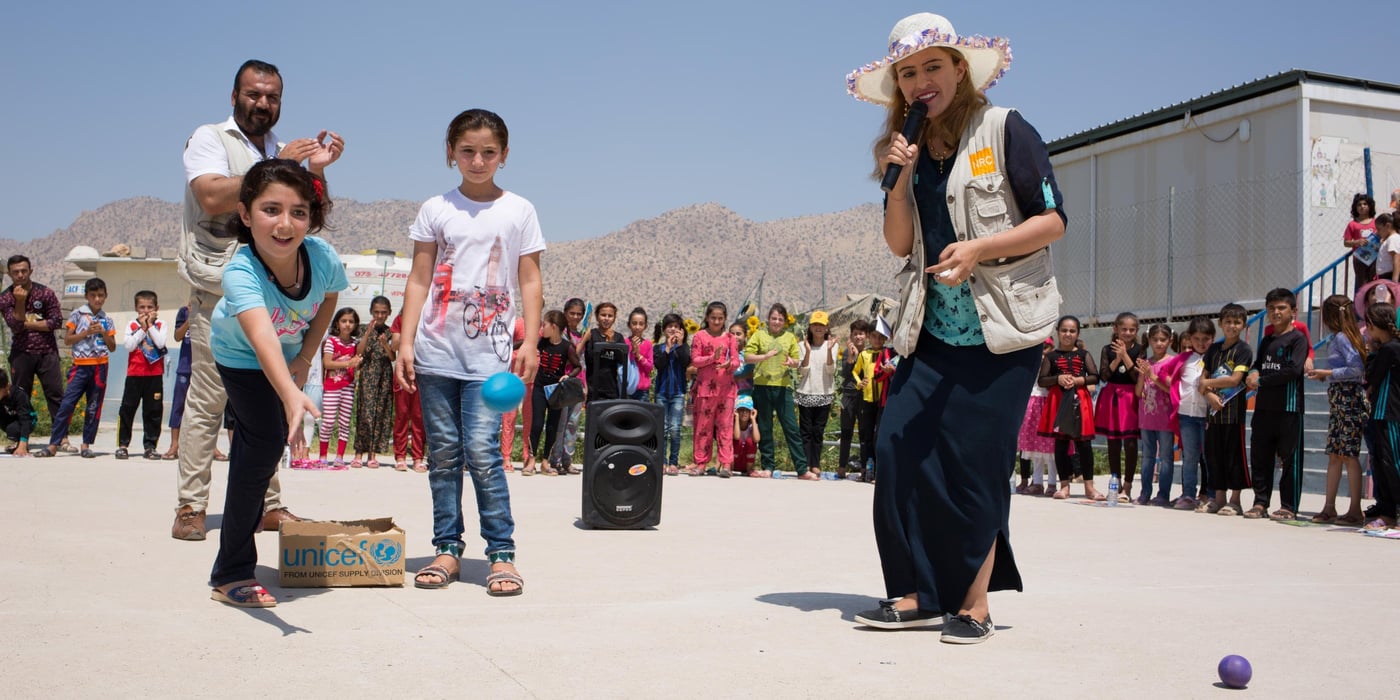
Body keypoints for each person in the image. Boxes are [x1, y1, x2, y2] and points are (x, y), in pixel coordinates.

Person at [849, 12, 1066, 641]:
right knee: (895, 451)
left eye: (932, 67)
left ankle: (974, 605)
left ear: (959, 69)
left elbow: (1052, 222)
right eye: (908, 72)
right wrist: (898, 183)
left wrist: (980, 249)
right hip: (931, 333)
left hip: (1003, 333)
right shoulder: (905, 147)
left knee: (975, 465)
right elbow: (898, 245)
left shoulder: (1005, 129)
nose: (921, 81)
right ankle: (913, 594)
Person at [174, 59, 342, 540]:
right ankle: (191, 506)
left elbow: (312, 214)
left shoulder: (280, 148)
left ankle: (268, 504)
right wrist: (278, 166)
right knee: (208, 399)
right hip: (219, 287)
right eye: (253, 94)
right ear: (234, 97)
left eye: (271, 97)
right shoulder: (209, 139)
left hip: (274, 290)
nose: (262, 103)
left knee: (271, 401)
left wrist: (312, 170)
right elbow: (209, 197)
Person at [395, 108, 543, 596]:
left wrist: (531, 341)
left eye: (488, 152)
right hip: (437, 351)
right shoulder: (436, 208)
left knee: (482, 453)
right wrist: (405, 341)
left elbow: (529, 278)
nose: (477, 161)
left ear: (504, 156)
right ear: (450, 153)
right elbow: (419, 278)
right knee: (442, 455)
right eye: (467, 151)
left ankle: (501, 553)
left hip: (490, 359)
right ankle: (446, 548)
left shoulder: (519, 209)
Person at [206, 158, 345, 608]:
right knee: (264, 446)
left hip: (288, 359)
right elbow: (261, 338)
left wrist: (305, 359)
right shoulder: (240, 271)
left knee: (255, 449)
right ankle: (231, 573)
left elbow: (329, 298)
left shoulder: (321, 257)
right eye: (271, 210)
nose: (285, 224)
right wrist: (291, 394)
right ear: (245, 215)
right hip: (241, 357)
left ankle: (232, 562)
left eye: (299, 212)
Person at [32, 278, 116, 459]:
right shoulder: (78, 315)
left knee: (93, 406)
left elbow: (112, 346)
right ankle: (54, 444)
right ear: (87, 296)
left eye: (101, 295)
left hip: (100, 366)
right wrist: (86, 333)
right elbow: (68, 339)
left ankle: (86, 444)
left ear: (106, 296)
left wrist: (102, 332)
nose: (97, 299)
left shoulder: (107, 319)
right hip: (81, 366)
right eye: (93, 295)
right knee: (67, 404)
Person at [1244, 288, 1308, 521]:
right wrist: (1252, 372)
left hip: (1289, 409)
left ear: (1293, 311)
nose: (1275, 312)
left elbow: (1293, 371)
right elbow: (1258, 363)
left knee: (1290, 459)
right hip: (1263, 408)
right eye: (1271, 308)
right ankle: (1260, 502)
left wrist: (1260, 380)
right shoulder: (1267, 339)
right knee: (1260, 457)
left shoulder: (1298, 339)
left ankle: (1289, 506)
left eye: (1281, 308)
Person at [1305, 295, 1369, 525]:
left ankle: (1354, 509)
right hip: (1339, 398)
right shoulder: (1342, 337)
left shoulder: (1343, 338)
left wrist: (1328, 373)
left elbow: (1356, 368)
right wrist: (1327, 376)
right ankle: (1329, 506)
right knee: (1335, 453)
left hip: (1349, 399)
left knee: (1348, 455)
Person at [0, 255, 67, 450]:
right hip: (21, 354)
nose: (20, 275)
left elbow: (56, 322)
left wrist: (27, 324)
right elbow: (16, 326)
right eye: (15, 272)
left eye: (23, 270)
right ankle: (22, 439)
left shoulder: (45, 293)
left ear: (31, 270)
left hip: (47, 353)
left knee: (55, 395)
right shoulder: (5, 297)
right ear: (10, 274)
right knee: (21, 396)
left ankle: (61, 438)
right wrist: (20, 302)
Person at [1197, 305, 1252, 515]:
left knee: (1233, 457)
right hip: (1213, 414)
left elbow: (1235, 379)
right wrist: (1210, 395)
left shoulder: (1244, 350)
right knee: (1214, 456)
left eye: (1237, 322)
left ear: (1243, 325)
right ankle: (1218, 498)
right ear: (1221, 324)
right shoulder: (1213, 350)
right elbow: (1201, 380)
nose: (1232, 326)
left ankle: (1235, 500)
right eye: (1228, 322)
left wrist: (1207, 383)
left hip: (1233, 414)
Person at [1154, 318, 1214, 509]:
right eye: (1196, 339)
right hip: (1186, 415)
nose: (1201, 343)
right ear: (1190, 338)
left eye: (1206, 339)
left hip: (1207, 415)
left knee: (1209, 457)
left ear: (1212, 338)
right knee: (1189, 456)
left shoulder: (1215, 356)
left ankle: (1212, 495)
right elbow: (1164, 372)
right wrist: (1176, 387)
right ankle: (1188, 494)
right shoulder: (1185, 358)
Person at [1037, 316, 1099, 500]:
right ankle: (1064, 486)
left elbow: (1095, 376)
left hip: (1080, 401)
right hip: (1058, 401)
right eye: (1064, 330)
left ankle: (1089, 487)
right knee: (1061, 443)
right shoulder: (1051, 356)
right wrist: (1058, 379)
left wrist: (1079, 380)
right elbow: (1042, 380)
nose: (1068, 334)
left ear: (1077, 333)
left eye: (1072, 331)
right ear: (1057, 332)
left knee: (1084, 444)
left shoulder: (1083, 355)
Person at [744, 303, 808, 478]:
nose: (777, 322)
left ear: (785, 321)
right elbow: (747, 357)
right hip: (762, 387)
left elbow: (797, 360)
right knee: (764, 428)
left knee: (791, 428)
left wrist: (792, 363)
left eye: (780, 319)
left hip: (782, 388)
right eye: (774, 318)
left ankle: (802, 469)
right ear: (768, 319)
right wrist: (763, 357)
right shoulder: (759, 335)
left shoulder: (789, 337)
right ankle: (768, 467)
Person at [689, 301, 740, 477]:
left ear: (725, 319)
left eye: (720, 318)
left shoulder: (730, 338)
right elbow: (695, 360)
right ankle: (701, 463)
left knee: (725, 427)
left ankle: (726, 464)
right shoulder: (699, 337)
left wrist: (729, 364)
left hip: (726, 390)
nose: (716, 322)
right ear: (707, 318)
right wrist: (712, 358)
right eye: (713, 318)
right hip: (705, 389)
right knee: (703, 427)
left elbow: (736, 361)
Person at [115, 290, 168, 460]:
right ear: (136, 308)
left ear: (157, 308)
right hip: (135, 374)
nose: (146, 311)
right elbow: (130, 346)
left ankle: (150, 446)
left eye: (150, 307)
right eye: (142, 307)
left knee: (153, 410)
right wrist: (142, 328)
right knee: (127, 409)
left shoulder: (161, 325)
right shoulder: (132, 325)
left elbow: (160, 343)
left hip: (154, 374)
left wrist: (150, 326)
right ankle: (123, 445)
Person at [1094, 312, 1142, 502]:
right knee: (1113, 442)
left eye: (1132, 329)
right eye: (1124, 329)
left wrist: (1126, 356)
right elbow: (1104, 376)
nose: (1128, 332)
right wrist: (1118, 357)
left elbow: (1137, 377)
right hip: (1112, 396)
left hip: (1131, 396)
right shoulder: (1107, 349)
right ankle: (1115, 482)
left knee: (1130, 443)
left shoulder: (1140, 349)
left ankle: (1128, 487)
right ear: (1116, 329)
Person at [527, 310, 580, 476]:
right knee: (536, 424)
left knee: (552, 426)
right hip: (539, 388)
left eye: (545, 325)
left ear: (554, 327)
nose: (543, 328)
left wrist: (568, 375)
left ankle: (545, 461)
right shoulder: (542, 342)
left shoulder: (566, 347)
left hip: (556, 392)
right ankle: (531, 459)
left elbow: (578, 366)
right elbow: (524, 343)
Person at [1363, 301, 1400, 530]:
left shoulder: (1391, 348)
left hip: (1392, 412)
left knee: (1393, 462)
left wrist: (1371, 352)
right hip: (1379, 412)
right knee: (1381, 462)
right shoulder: (1386, 348)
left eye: (1369, 325)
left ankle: (1394, 511)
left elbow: (1372, 378)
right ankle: (1387, 512)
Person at [1134, 324, 1175, 504]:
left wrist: (1152, 375)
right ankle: (1145, 493)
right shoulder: (1146, 362)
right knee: (1147, 457)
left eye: (1163, 340)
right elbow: (1138, 392)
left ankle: (1163, 494)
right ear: (1149, 340)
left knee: (1166, 457)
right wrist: (1144, 375)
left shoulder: (1172, 362)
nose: (1159, 343)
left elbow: (1171, 388)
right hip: (1147, 418)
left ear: (1170, 341)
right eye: (1155, 340)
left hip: (1165, 419)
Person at [852, 318, 896, 482]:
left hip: (882, 400)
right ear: (869, 337)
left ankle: (878, 469)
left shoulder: (888, 353)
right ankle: (865, 469)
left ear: (885, 339)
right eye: (874, 336)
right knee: (866, 435)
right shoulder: (864, 354)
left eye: (880, 337)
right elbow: (855, 372)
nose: (877, 340)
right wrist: (859, 383)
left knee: (879, 435)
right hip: (867, 398)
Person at [354, 296, 395, 468]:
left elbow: (392, 357)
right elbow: (359, 352)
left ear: (389, 313)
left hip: (384, 375)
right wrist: (368, 334)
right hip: (368, 374)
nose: (379, 315)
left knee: (380, 414)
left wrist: (386, 344)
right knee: (365, 413)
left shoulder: (391, 331)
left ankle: (372, 454)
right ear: (371, 311)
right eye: (377, 312)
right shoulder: (363, 328)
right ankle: (358, 452)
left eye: (383, 313)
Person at [796, 310, 838, 476]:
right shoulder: (801, 345)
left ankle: (815, 463)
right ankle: (805, 464)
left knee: (818, 431)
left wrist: (828, 350)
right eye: (815, 324)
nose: (819, 328)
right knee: (805, 430)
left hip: (824, 393)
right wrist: (807, 351)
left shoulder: (833, 346)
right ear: (810, 327)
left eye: (822, 325)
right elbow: (803, 371)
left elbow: (830, 370)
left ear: (827, 327)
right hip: (806, 392)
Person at [319, 308, 361, 467]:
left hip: (348, 387)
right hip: (332, 387)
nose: (347, 325)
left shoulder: (355, 344)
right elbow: (327, 363)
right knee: (328, 421)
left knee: (345, 423)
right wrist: (347, 363)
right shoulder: (331, 341)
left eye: (351, 321)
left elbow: (359, 356)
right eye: (344, 321)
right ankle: (323, 456)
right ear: (337, 323)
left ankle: (339, 456)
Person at [549, 298, 587, 474]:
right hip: (563, 381)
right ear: (565, 313)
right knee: (561, 422)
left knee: (573, 423)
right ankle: (554, 458)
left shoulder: (580, 334)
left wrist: (584, 385)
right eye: (572, 313)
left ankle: (567, 458)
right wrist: (583, 341)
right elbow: (573, 354)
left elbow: (583, 363)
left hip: (577, 382)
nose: (575, 317)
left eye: (579, 314)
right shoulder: (560, 334)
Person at [1016, 339, 1056, 496]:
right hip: (1033, 402)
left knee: (1051, 445)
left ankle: (1052, 482)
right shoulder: (1031, 361)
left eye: (1047, 348)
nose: (1044, 352)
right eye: (1041, 348)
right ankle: (1037, 481)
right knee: (1034, 444)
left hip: (1049, 402)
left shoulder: (1054, 361)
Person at [652, 313, 691, 476]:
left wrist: (680, 345)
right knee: (662, 429)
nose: (673, 329)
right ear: (664, 329)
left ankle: (674, 462)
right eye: (670, 326)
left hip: (678, 393)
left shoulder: (684, 348)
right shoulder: (658, 348)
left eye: (676, 326)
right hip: (661, 392)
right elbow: (659, 365)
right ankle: (662, 461)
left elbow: (685, 363)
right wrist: (667, 348)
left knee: (674, 428)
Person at [390, 310, 428, 472]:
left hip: (423, 372)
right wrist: (408, 333)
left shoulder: (429, 319)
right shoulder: (401, 319)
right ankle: (400, 456)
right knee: (402, 415)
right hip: (404, 372)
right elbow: (394, 345)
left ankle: (418, 457)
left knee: (420, 417)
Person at [836, 319, 870, 479]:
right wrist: (851, 357)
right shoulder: (845, 352)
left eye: (861, 333)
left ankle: (864, 467)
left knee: (864, 433)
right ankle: (842, 466)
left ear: (867, 336)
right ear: (851, 335)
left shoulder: (870, 353)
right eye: (855, 334)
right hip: (849, 395)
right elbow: (845, 373)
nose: (858, 337)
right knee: (846, 431)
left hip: (865, 396)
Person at [163, 305, 193, 460]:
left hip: (205, 368)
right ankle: (174, 444)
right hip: (185, 367)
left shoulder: (212, 309)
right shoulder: (184, 311)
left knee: (208, 408)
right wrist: (190, 319)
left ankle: (211, 447)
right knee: (178, 406)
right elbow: (177, 336)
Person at [582, 302, 624, 402]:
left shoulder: (618, 337)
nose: (606, 318)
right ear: (597, 317)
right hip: (593, 387)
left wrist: (611, 343)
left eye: (610, 316)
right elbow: (589, 357)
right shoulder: (592, 334)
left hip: (611, 388)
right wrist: (604, 345)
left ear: (614, 318)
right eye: (603, 315)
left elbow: (621, 359)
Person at [1344, 193, 1379, 291]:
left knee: (1374, 282)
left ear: (1370, 206)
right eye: (1359, 205)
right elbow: (1346, 242)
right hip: (1360, 259)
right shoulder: (1352, 225)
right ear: (1355, 208)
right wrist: (1357, 242)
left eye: (1365, 204)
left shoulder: (1376, 222)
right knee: (1362, 283)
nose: (1362, 207)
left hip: (1375, 257)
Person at [0, 368, 35, 456]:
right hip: (8, 419)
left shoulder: (19, 395)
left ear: (7, 386)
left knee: (13, 430)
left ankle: (21, 443)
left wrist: (23, 444)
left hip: (28, 420)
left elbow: (25, 420)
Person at [626, 307, 655, 402]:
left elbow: (649, 367)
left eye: (641, 324)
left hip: (642, 390)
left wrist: (638, 355)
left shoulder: (648, 344)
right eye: (634, 323)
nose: (637, 327)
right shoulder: (624, 342)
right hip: (626, 388)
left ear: (645, 326)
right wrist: (632, 351)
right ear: (629, 325)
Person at [732, 394, 761, 476]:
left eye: (747, 410)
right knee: (738, 441)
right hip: (734, 461)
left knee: (750, 441)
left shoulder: (752, 426)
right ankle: (730, 468)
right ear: (736, 412)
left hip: (746, 462)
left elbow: (757, 439)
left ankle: (749, 470)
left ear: (750, 412)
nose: (744, 413)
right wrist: (736, 418)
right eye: (741, 410)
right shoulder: (733, 425)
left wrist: (753, 419)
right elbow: (737, 436)